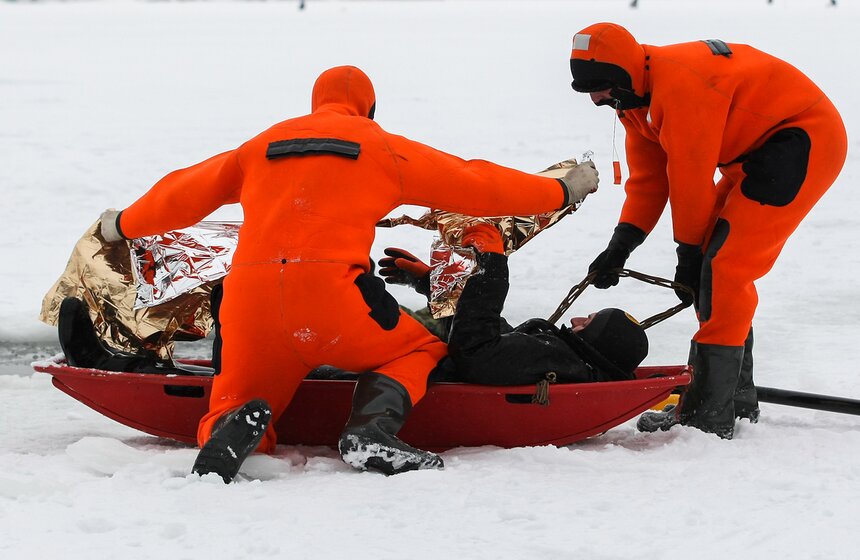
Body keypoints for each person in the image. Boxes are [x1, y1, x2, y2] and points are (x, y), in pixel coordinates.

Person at [96, 65, 600, 482]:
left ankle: (231, 426)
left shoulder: (261, 146)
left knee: (239, 388)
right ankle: (370, 429)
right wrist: (561, 191)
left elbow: (181, 192)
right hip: (333, 299)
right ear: (369, 108)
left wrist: (121, 224)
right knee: (418, 346)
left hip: (249, 302)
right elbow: (476, 182)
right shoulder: (379, 146)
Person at [568, 23, 847, 438]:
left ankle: (709, 415)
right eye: (587, 89)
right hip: (750, 155)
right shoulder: (631, 101)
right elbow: (650, 180)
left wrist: (689, 254)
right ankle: (733, 398)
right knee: (713, 267)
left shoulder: (681, 85)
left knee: (725, 265)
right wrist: (620, 246)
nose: (596, 98)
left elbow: (690, 179)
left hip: (801, 141)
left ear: (624, 73)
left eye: (602, 87)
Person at [380, 224, 649, 386]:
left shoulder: (560, 359)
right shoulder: (560, 355)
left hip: (404, 378)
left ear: (598, 344)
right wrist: (432, 285)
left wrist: (493, 267)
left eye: (588, 323)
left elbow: (473, 350)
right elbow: (493, 336)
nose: (576, 320)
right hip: (409, 369)